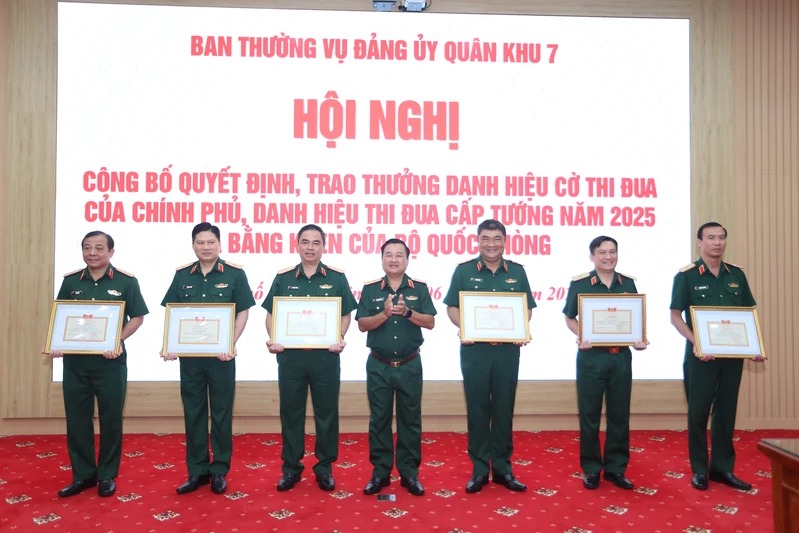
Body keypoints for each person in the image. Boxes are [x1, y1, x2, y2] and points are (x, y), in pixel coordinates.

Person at [49, 230, 148, 498]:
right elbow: (61, 317)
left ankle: (106, 475)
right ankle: (83, 475)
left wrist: (117, 340)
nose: (92, 252)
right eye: (87, 247)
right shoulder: (71, 282)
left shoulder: (127, 281)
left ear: (111, 252)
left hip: (110, 363)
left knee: (110, 419)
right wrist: (57, 343)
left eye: (98, 248)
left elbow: (137, 317)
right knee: (77, 419)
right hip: (76, 364)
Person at [161, 222, 255, 495]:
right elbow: (173, 313)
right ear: (193, 246)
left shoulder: (235, 274)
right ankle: (197, 471)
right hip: (190, 359)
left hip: (221, 358)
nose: (206, 247)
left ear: (219, 244)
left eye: (211, 242)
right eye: (200, 242)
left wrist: (230, 343)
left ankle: (219, 470)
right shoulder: (182, 276)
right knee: (194, 414)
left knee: (222, 414)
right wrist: (170, 345)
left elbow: (243, 312)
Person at [443, 219, 535, 494]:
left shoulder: (517, 272)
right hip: (475, 351)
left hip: (507, 351)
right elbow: (452, 308)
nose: (491, 244)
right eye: (486, 238)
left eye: (497, 238)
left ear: (505, 241)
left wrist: (522, 329)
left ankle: (504, 470)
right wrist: (464, 328)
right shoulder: (464, 271)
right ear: (478, 240)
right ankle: (480, 470)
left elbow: (526, 308)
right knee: (478, 410)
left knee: (504, 409)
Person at [263, 224, 358, 492]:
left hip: (325, 358)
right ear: (297, 245)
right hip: (291, 358)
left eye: (316, 243)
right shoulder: (283, 277)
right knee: (291, 413)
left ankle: (324, 468)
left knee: (326, 414)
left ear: (323, 246)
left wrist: (338, 336)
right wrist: (274, 338)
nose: (310, 247)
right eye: (305, 242)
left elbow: (345, 313)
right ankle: (291, 468)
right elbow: (271, 314)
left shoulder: (337, 278)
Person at [670, 221, 762, 491]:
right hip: (700, 357)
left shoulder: (736, 275)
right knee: (698, 414)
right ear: (700, 242)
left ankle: (722, 468)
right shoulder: (686, 276)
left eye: (721, 237)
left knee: (726, 413)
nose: (717, 242)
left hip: (732, 359)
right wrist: (696, 342)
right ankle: (699, 469)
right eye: (711, 237)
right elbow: (675, 317)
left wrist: (755, 346)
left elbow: (748, 315)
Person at [562, 236, 648, 490]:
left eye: (612, 252)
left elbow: (634, 320)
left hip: (621, 358)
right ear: (592, 256)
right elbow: (569, 318)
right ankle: (591, 469)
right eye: (602, 252)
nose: (608, 256)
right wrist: (581, 335)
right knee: (589, 416)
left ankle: (616, 469)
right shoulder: (580, 283)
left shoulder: (628, 284)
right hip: (591, 359)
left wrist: (638, 339)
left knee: (620, 416)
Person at [355, 238, 436, 497]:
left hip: (410, 365)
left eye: (398, 255)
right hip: (379, 365)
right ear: (381, 259)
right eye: (388, 255)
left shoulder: (419, 288)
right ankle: (380, 473)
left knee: (409, 421)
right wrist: (386, 314)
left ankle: (409, 474)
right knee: (378, 420)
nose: (393, 259)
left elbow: (431, 322)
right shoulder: (370, 290)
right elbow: (362, 324)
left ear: (407, 259)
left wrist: (409, 313)